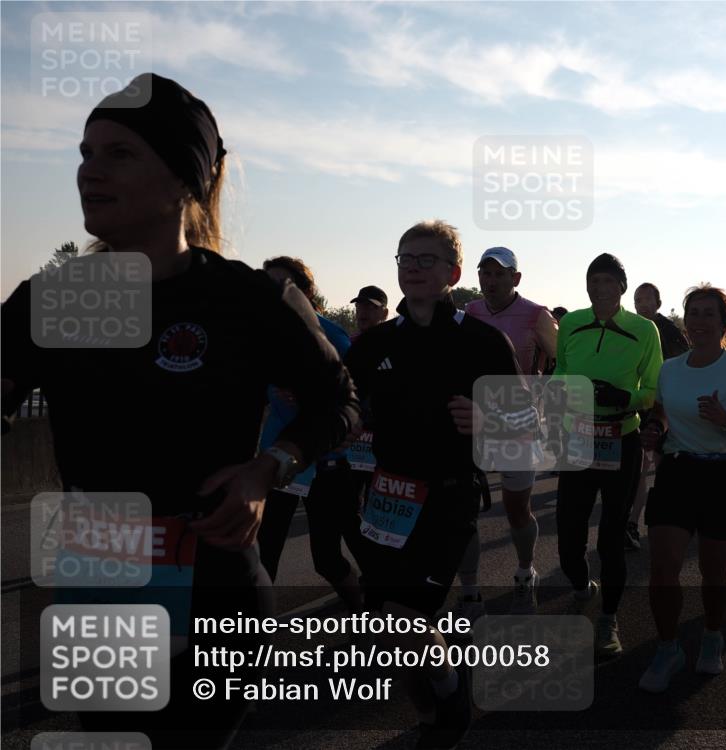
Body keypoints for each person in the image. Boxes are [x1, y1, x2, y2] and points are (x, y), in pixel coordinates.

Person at [1, 73, 360, 748]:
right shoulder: (54, 298)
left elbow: (339, 403)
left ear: (180, 183)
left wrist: (268, 469)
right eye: (84, 153)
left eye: (118, 154)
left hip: (215, 589)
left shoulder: (246, 300)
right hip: (98, 583)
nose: (88, 172)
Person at [344, 220, 529, 749]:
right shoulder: (374, 342)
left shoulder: (481, 340)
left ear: (451, 273)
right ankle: (430, 710)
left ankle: (449, 685)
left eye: (427, 260)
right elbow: (345, 406)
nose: (413, 268)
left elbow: (531, 423)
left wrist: (488, 419)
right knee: (386, 626)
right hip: (384, 498)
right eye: (405, 258)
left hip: (448, 495)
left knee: (406, 618)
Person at [638, 284, 726, 692]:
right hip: (678, 472)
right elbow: (661, 412)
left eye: (707, 314)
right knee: (663, 569)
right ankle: (667, 649)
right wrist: (654, 429)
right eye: (692, 313)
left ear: (723, 323)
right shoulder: (671, 369)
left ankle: (712, 636)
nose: (698, 321)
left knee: (714, 573)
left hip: (724, 477)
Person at [553, 253, 662, 658]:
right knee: (568, 539)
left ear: (622, 287)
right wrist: (571, 392)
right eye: (593, 281)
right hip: (578, 437)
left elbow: (652, 388)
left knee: (611, 538)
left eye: (607, 281)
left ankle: (608, 620)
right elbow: (559, 371)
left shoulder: (644, 329)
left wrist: (626, 397)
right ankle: (582, 586)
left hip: (622, 437)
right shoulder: (570, 323)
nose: (599, 288)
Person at [255, 256, 364, 611]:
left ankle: (369, 615)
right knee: (262, 557)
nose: (277, 294)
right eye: (268, 286)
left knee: (328, 560)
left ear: (306, 292)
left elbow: (353, 400)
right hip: (275, 460)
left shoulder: (332, 337)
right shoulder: (259, 335)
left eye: (286, 285)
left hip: (326, 462)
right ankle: (252, 648)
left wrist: (311, 396)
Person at [461, 247, 559, 616]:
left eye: (500, 274)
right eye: (485, 273)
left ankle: (524, 572)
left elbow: (562, 363)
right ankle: (470, 590)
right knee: (463, 510)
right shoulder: (469, 312)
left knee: (517, 510)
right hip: (474, 422)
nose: (491, 280)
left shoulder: (536, 315)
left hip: (518, 423)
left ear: (515, 278)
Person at [626, 282, 691, 549]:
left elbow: (685, 365)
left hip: (665, 408)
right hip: (637, 407)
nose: (641, 305)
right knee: (638, 468)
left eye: (646, 300)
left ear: (658, 304)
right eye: (637, 300)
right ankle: (631, 523)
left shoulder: (669, 331)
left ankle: (671, 519)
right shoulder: (628, 328)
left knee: (665, 467)